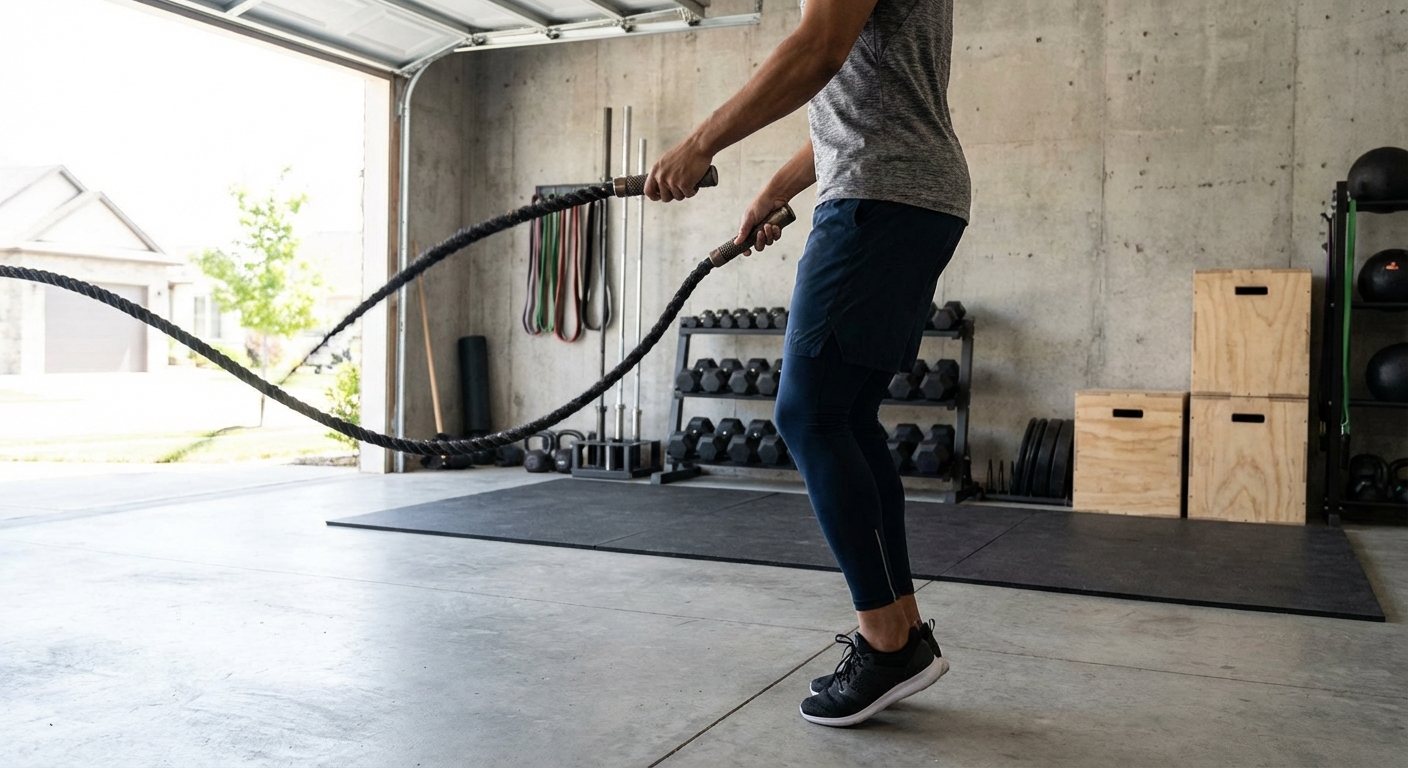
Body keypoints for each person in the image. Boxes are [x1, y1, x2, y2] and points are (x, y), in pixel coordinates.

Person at [645, 0, 969, 727]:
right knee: (846, 417)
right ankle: (903, 629)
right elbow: (855, 98)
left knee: (808, 415)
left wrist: (701, 143)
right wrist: (775, 188)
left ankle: (885, 643)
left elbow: (818, 47)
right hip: (908, 192)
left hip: (881, 195)